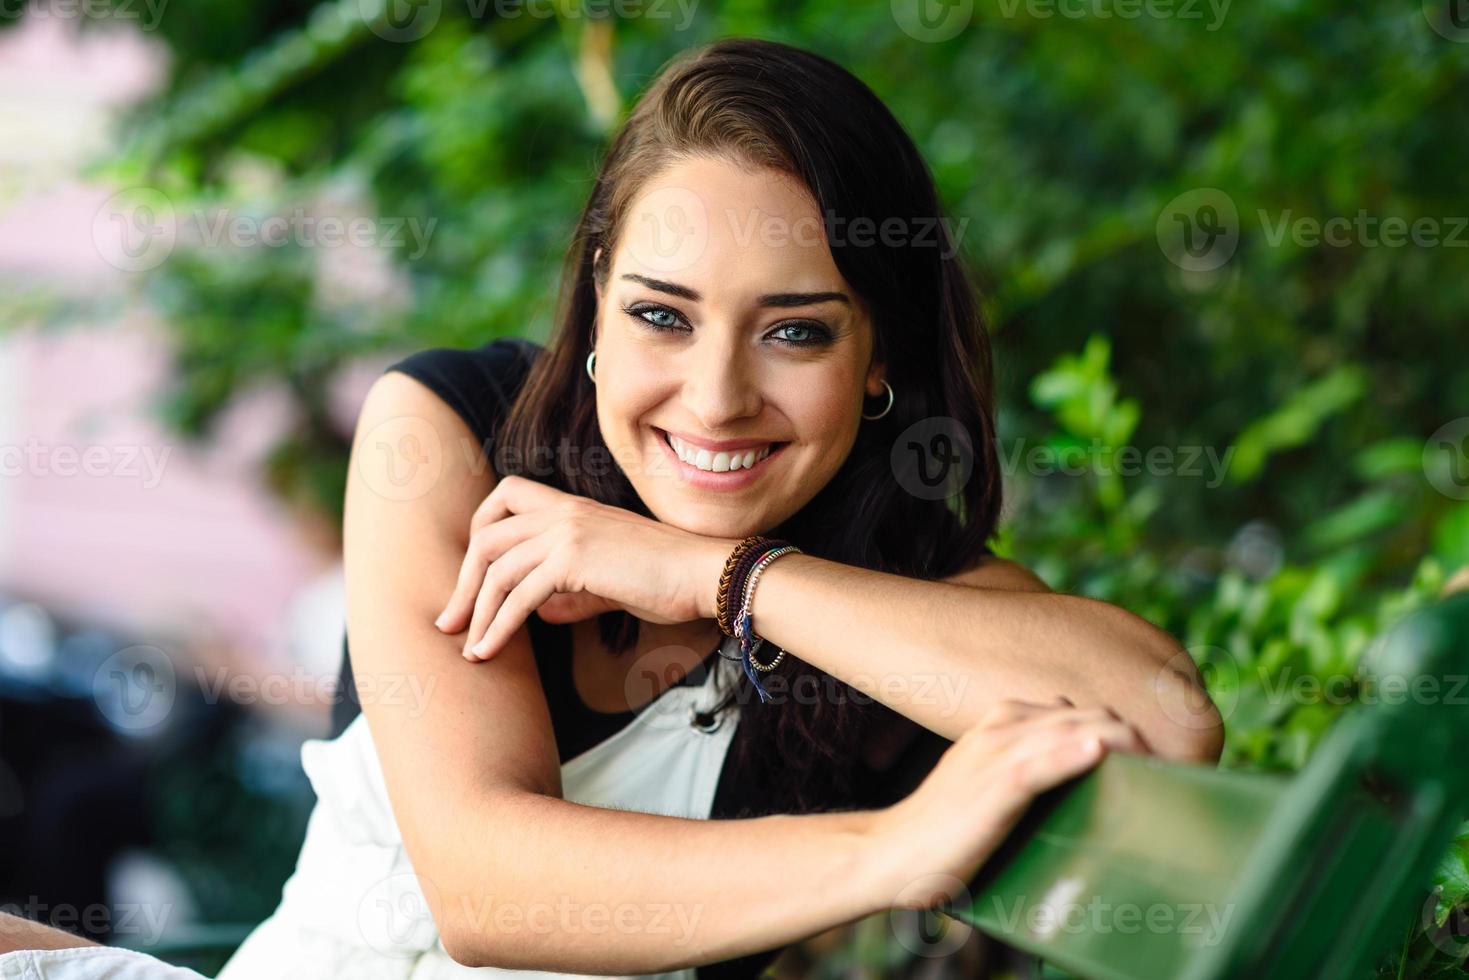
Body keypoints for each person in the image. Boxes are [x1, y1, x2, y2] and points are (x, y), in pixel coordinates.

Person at [0, 36, 1221, 979]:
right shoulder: (449, 434)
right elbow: (488, 883)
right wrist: (885, 851)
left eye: (793, 329)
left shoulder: (901, 605)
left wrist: (717, 576)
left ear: (880, 351)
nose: (716, 394)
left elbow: (1163, 718)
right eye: (660, 314)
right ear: (594, 305)